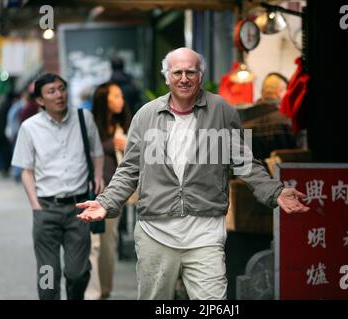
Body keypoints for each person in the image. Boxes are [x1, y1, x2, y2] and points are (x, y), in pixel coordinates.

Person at [76, 48, 309, 300]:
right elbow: (129, 170)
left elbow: (245, 163)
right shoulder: (146, 116)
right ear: (167, 76)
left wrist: (275, 192)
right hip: (156, 234)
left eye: (191, 72)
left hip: (205, 235)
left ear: (200, 75)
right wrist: (106, 202)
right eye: (177, 72)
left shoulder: (222, 111)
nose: (184, 78)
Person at [11, 73, 104, 300]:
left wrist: (99, 175)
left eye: (62, 89)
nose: (59, 95)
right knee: (47, 275)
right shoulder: (29, 127)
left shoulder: (84, 118)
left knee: (78, 272)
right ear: (40, 100)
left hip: (79, 209)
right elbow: (26, 170)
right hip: (46, 209)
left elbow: (97, 152)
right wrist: (35, 205)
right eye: (51, 91)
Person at [85, 82, 130, 300]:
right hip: (92, 192)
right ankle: (92, 293)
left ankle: (104, 290)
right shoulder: (91, 126)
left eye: (121, 96)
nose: (121, 100)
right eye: (116, 96)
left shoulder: (124, 125)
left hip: (114, 195)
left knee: (108, 244)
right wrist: (112, 142)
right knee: (92, 243)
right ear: (104, 100)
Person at [241, 72, 297, 161]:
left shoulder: (242, 121)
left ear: (262, 92)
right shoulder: (288, 120)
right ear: (280, 92)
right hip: (283, 174)